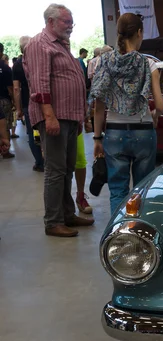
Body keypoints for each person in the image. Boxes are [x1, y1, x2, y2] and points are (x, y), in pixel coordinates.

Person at [23, 3, 94, 237]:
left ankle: (66, 214)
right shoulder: (39, 44)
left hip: (68, 118)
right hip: (54, 117)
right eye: (66, 21)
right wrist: (49, 116)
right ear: (51, 22)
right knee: (55, 170)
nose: (71, 25)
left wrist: (79, 116)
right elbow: (40, 84)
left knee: (66, 169)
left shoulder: (61, 45)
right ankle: (53, 222)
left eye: (71, 21)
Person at [90, 13, 163, 214]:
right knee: (141, 190)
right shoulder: (149, 64)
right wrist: (155, 115)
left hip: (114, 133)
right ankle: (138, 234)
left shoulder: (104, 62)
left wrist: (97, 138)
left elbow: (98, 105)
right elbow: (160, 105)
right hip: (143, 131)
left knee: (117, 191)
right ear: (139, 32)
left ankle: (118, 234)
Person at [13, 36, 43, 170]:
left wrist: (18, 108)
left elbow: (16, 88)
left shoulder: (18, 64)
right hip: (44, 101)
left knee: (33, 133)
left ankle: (40, 162)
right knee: (45, 131)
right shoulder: (39, 60)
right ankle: (50, 159)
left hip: (27, 103)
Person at [0, 43, 17, 141]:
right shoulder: (5, 68)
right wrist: (14, 101)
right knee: (5, 125)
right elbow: (10, 88)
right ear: (1, 52)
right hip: (4, 100)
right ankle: (5, 150)